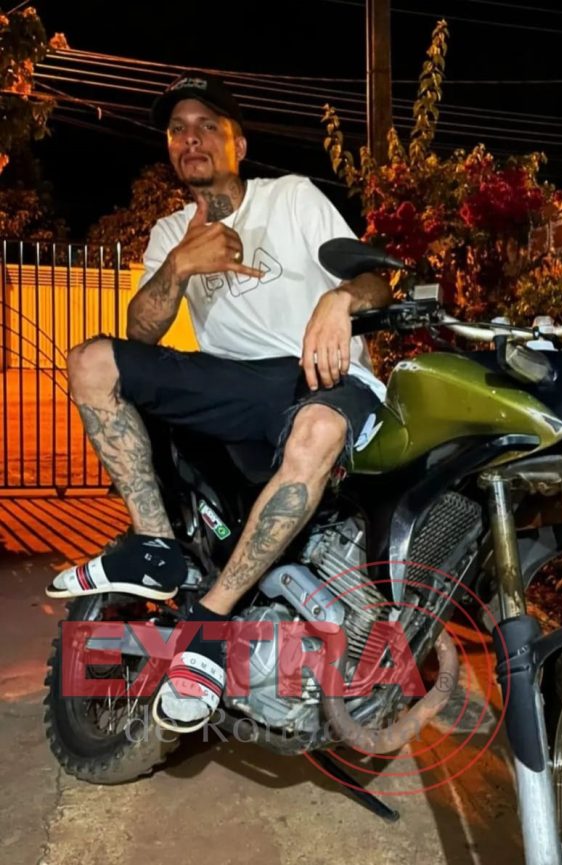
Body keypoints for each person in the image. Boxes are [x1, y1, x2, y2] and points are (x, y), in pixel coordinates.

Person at [46, 70, 391, 733]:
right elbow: (141, 331)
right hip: (235, 384)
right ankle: (155, 546)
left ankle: (210, 623)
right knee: (91, 360)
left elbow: (376, 280)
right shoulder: (171, 231)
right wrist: (179, 265)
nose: (192, 138)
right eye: (178, 129)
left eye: (208, 125)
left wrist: (340, 298)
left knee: (319, 429)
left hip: (317, 378)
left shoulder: (291, 197)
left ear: (239, 143)